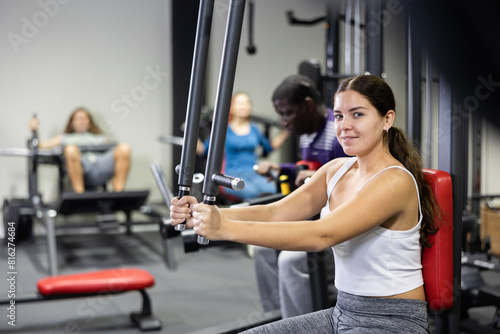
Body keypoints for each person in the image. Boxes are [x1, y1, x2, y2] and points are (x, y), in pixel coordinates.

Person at [170, 74, 438, 333]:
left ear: (386, 119)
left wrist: (225, 229)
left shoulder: (393, 181)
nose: (344, 126)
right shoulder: (336, 170)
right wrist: (208, 213)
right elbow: (278, 212)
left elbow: (321, 235)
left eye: (358, 114)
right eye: (339, 115)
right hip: (342, 313)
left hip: (392, 321)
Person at [253, 75, 349, 318]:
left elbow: (353, 182)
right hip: (315, 216)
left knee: (290, 261)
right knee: (262, 248)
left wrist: (316, 176)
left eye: (288, 113)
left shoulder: (339, 133)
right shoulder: (306, 132)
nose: (284, 122)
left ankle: (299, 325)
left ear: (307, 105)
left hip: (341, 226)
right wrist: (282, 168)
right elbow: (307, 167)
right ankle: (276, 317)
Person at [197, 91, 289, 202]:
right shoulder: (223, 130)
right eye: (240, 103)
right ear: (232, 107)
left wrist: (286, 131)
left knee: (272, 191)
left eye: (247, 103)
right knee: (251, 194)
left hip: (254, 173)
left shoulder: (254, 129)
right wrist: (190, 131)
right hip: (232, 175)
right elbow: (203, 150)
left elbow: (269, 147)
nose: (244, 106)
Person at [29, 107, 131, 193]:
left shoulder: (100, 137)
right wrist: (35, 131)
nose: (82, 121)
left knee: (124, 148)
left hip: (100, 165)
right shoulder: (65, 138)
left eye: (84, 118)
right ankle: (80, 193)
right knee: (70, 149)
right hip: (82, 166)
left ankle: (119, 192)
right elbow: (40, 146)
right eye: (78, 118)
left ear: (89, 122)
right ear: (72, 123)